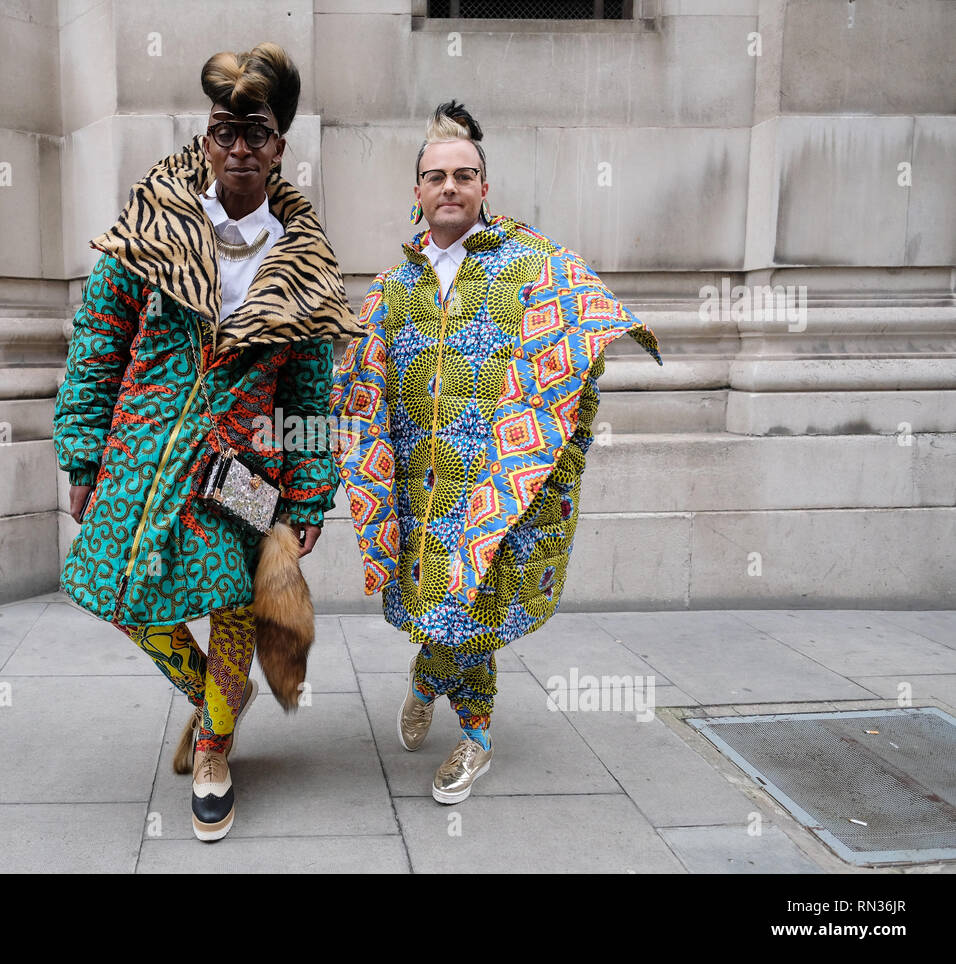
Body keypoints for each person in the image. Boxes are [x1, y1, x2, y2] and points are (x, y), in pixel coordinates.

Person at [53, 42, 358, 840]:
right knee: (123, 599)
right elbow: (98, 340)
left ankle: (216, 747)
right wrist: (83, 450)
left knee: (230, 608)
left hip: (241, 474)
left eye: (255, 133)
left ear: (279, 146)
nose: (237, 149)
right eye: (224, 130)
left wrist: (308, 498)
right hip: (141, 458)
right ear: (207, 135)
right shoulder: (154, 222)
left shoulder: (307, 269)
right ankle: (214, 696)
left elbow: (308, 396)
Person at [331, 101, 663, 804]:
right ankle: (428, 678)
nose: (449, 187)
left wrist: (558, 450)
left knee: (469, 606)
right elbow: (354, 387)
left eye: (464, 175)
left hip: (495, 482)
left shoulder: (536, 266)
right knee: (437, 604)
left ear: (485, 188)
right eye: (435, 176)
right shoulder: (389, 291)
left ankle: (473, 736)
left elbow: (579, 353)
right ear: (416, 193)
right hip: (421, 488)